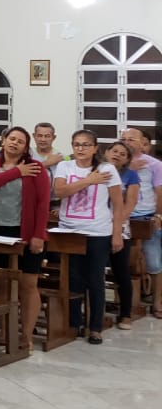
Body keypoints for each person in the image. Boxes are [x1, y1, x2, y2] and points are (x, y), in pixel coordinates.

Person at [0, 126, 51, 350]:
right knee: (3, 283)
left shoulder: (36, 167)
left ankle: (26, 336)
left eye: (20, 141)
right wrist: (17, 172)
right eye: (12, 138)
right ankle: (5, 333)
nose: (14, 143)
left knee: (28, 284)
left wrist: (39, 235)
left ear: (26, 147)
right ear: (4, 140)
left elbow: (43, 203)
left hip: (25, 232)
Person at [52, 130, 124, 344]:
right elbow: (60, 192)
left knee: (95, 280)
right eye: (76, 144)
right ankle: (74, 323)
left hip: (97, 231)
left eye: (85, 145)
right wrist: (89, 180)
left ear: (95, 148)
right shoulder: (65, 166)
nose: (80, 148)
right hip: (69, 231)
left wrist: (117, 233)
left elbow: (118, 204)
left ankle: (95, 327)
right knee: (73, 279)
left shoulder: (107, 169)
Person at [122, 127, 162, 318]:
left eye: (131, 139)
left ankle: (157, 301)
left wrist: (158, 215)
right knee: (123, 262)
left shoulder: (154, 165)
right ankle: (125, 303)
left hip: (146, 216)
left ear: (142, 142)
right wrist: (128, 168)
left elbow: (160, 192)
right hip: (122, 217)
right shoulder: (115, 163)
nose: (126, 142)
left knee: (154, 261)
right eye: (123, 139)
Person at [104, 141, 138, 330]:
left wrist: (116, 224)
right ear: (106, 152)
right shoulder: (98, 171)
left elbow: (130, 203)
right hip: (97, 226)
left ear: (126, 160)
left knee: (121, 272)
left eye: (122, 154)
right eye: (114, 151)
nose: (117, 155)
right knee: (94, 271)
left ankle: (125, 314)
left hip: (120, 228)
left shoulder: (130, 175)